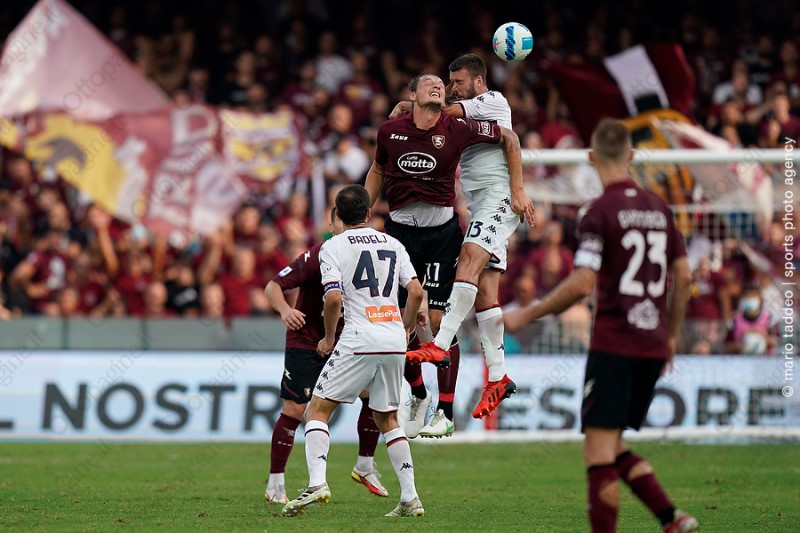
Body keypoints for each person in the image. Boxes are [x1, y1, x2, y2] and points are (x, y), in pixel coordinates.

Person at [503, 119, 698, 533]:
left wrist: (527, 313)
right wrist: (671, 335)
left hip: (615, 344)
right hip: (652, 343)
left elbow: (581, 283)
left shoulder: (597, 211)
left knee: (597, 452)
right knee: (611, 443)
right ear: (631, 155)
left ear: (592, 157)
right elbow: (684, 278)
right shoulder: (661, 209)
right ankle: (671, 518)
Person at [367, 70, 533, 438]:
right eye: (434, 83)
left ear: (476, 81)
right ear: (413, 92)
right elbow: (378, 167)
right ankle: (432, 391)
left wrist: (519, 189)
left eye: (449, 84)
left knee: (441, 312)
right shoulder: (391, 131)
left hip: (457, 223)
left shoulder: (472, 115)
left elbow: (509, 137)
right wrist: (365, 209)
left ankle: (444, 399)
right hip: (407, 229)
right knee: (412, 319)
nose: (445, 87)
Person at [282, 185, 425, 518]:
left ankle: (317, 483)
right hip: (393, 338)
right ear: (369, 212)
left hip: (359, 337)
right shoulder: (392, 243)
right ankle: (410, 498)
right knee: (388, 418)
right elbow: (417, 292)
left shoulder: (333, 246)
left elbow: (333, 298)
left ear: (337, 214)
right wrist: (404, 329)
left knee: (316, 411)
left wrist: (329, 337)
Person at [263, 208, 387, 504]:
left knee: (374, 396)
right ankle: (275, 483)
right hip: (306, 341)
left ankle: (365, 466)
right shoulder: (317, 255)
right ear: (332, 224)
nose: (344, 227)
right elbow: (273, 286)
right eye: (339, 221)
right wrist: (285, 310)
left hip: (346, 341)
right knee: (294, 410)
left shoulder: (369, 255)